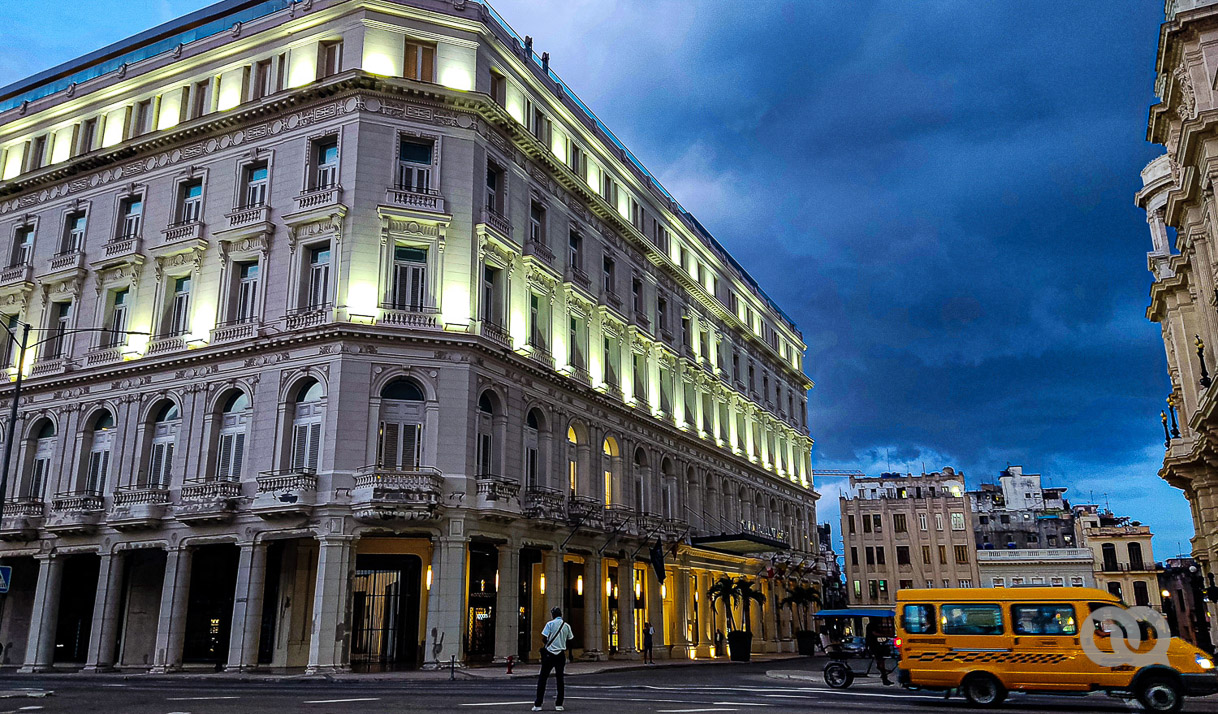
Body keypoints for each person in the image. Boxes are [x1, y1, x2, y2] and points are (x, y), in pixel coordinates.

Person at [534, 606, 574, 711]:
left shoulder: (550, 624)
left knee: (543, 679)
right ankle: (559, 704)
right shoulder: (566, 626)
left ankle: (538, 704)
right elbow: (570, 639)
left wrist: (549, 645)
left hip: (549, 654)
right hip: (560, 654)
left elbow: (544, 638)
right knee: (560, 679)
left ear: (553, 615)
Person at [864, 619, 892, 686]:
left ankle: (881, 669)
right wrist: (885, 635)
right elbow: (875, 633)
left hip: (874, 644)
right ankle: (883, 673)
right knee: (880, 658)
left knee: (881, 658)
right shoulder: (871, 626)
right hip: (873, 644)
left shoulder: (872, 625)